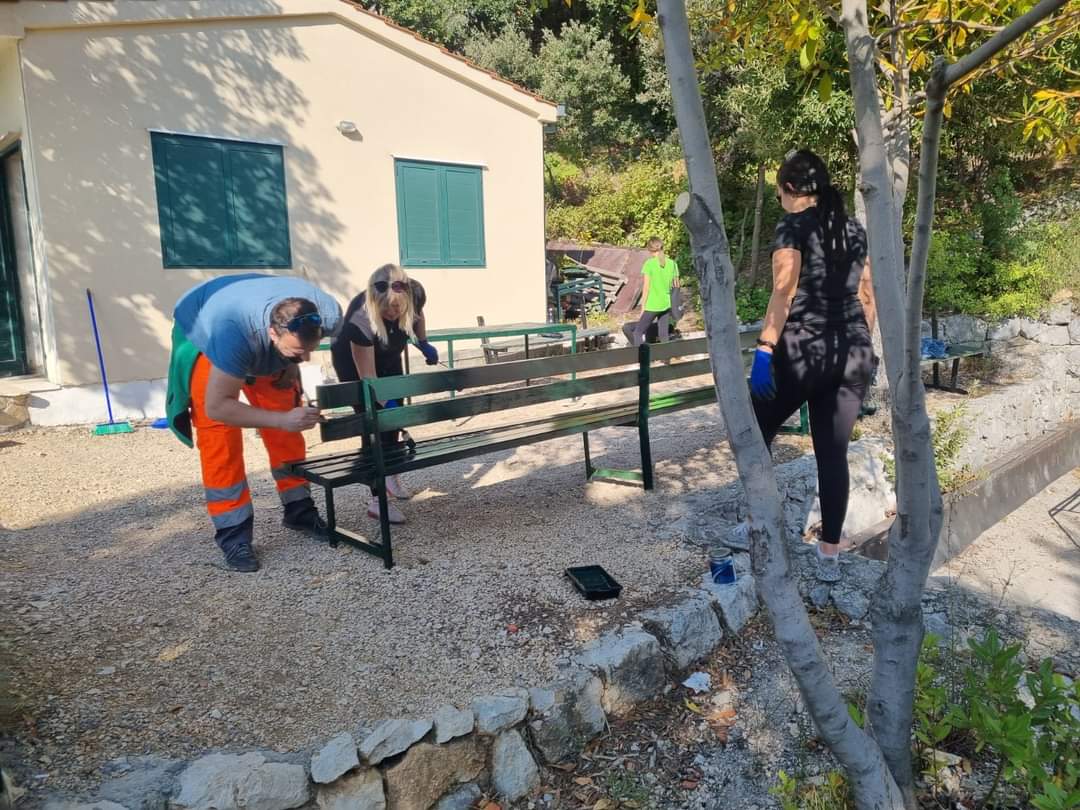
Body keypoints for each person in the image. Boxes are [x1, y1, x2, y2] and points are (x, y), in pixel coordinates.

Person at [747, 149, 877, 582]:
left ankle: (760, 527)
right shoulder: (854, 229)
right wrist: (861, 344)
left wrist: (765, 350)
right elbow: (868, 295)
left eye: (779, 195)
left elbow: (783, 293)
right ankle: (829, 555)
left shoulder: (793, 225)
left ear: (789, 189)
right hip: (854, 351)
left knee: (753, 429)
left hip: (806, 348)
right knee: (832, 451)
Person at [165, 274, 343, 573]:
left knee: (287, 427)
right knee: (219, 436)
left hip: (259, 323)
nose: (307, 358)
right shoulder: (231, 334)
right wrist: (280, 420)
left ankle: (299, 510)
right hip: (205, 324)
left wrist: (291, 363)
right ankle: (233, 534)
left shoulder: (329, 314)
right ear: (273, 333)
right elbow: (219, 407)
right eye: (298, 353)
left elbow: (306, 346)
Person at [330, 264, 439, 525]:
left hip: (389, 355)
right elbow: (369, 379)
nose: (393, 313)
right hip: (355, 364)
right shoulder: (360, 320)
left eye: (399, 308)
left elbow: (418, 315)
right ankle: (377, 501)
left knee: (393, 421)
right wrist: (387, 405)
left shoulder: (411, 294)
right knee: (375, 424)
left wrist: (423, 342)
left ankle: (391, 475)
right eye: (388, 309)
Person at [622, 237, 680, 347]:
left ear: (649, 250)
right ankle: (666, 356)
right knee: (663, 335)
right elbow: (677, 286)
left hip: (653, 305)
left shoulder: (649, 264)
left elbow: (646, 288)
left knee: (638, 333)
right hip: (666, 304)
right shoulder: (672, 264)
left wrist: (643, 307)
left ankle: (644, 355)